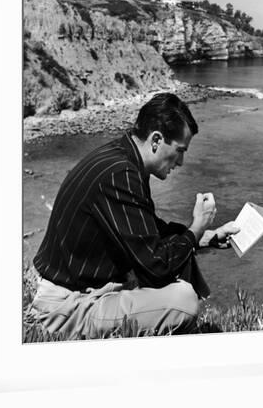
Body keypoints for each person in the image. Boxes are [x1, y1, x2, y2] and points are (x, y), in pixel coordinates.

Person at [31, 93, 239, 339]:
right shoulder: (121, 174)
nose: (181, 162)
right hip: (66, 308)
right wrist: (195, 229)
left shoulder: (122, 159)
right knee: (183, 301)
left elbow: (147, 231)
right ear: (156, 140)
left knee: (179, 256)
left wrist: (206, 236)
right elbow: (156, 267)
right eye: (180, 151)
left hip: (75, 291)